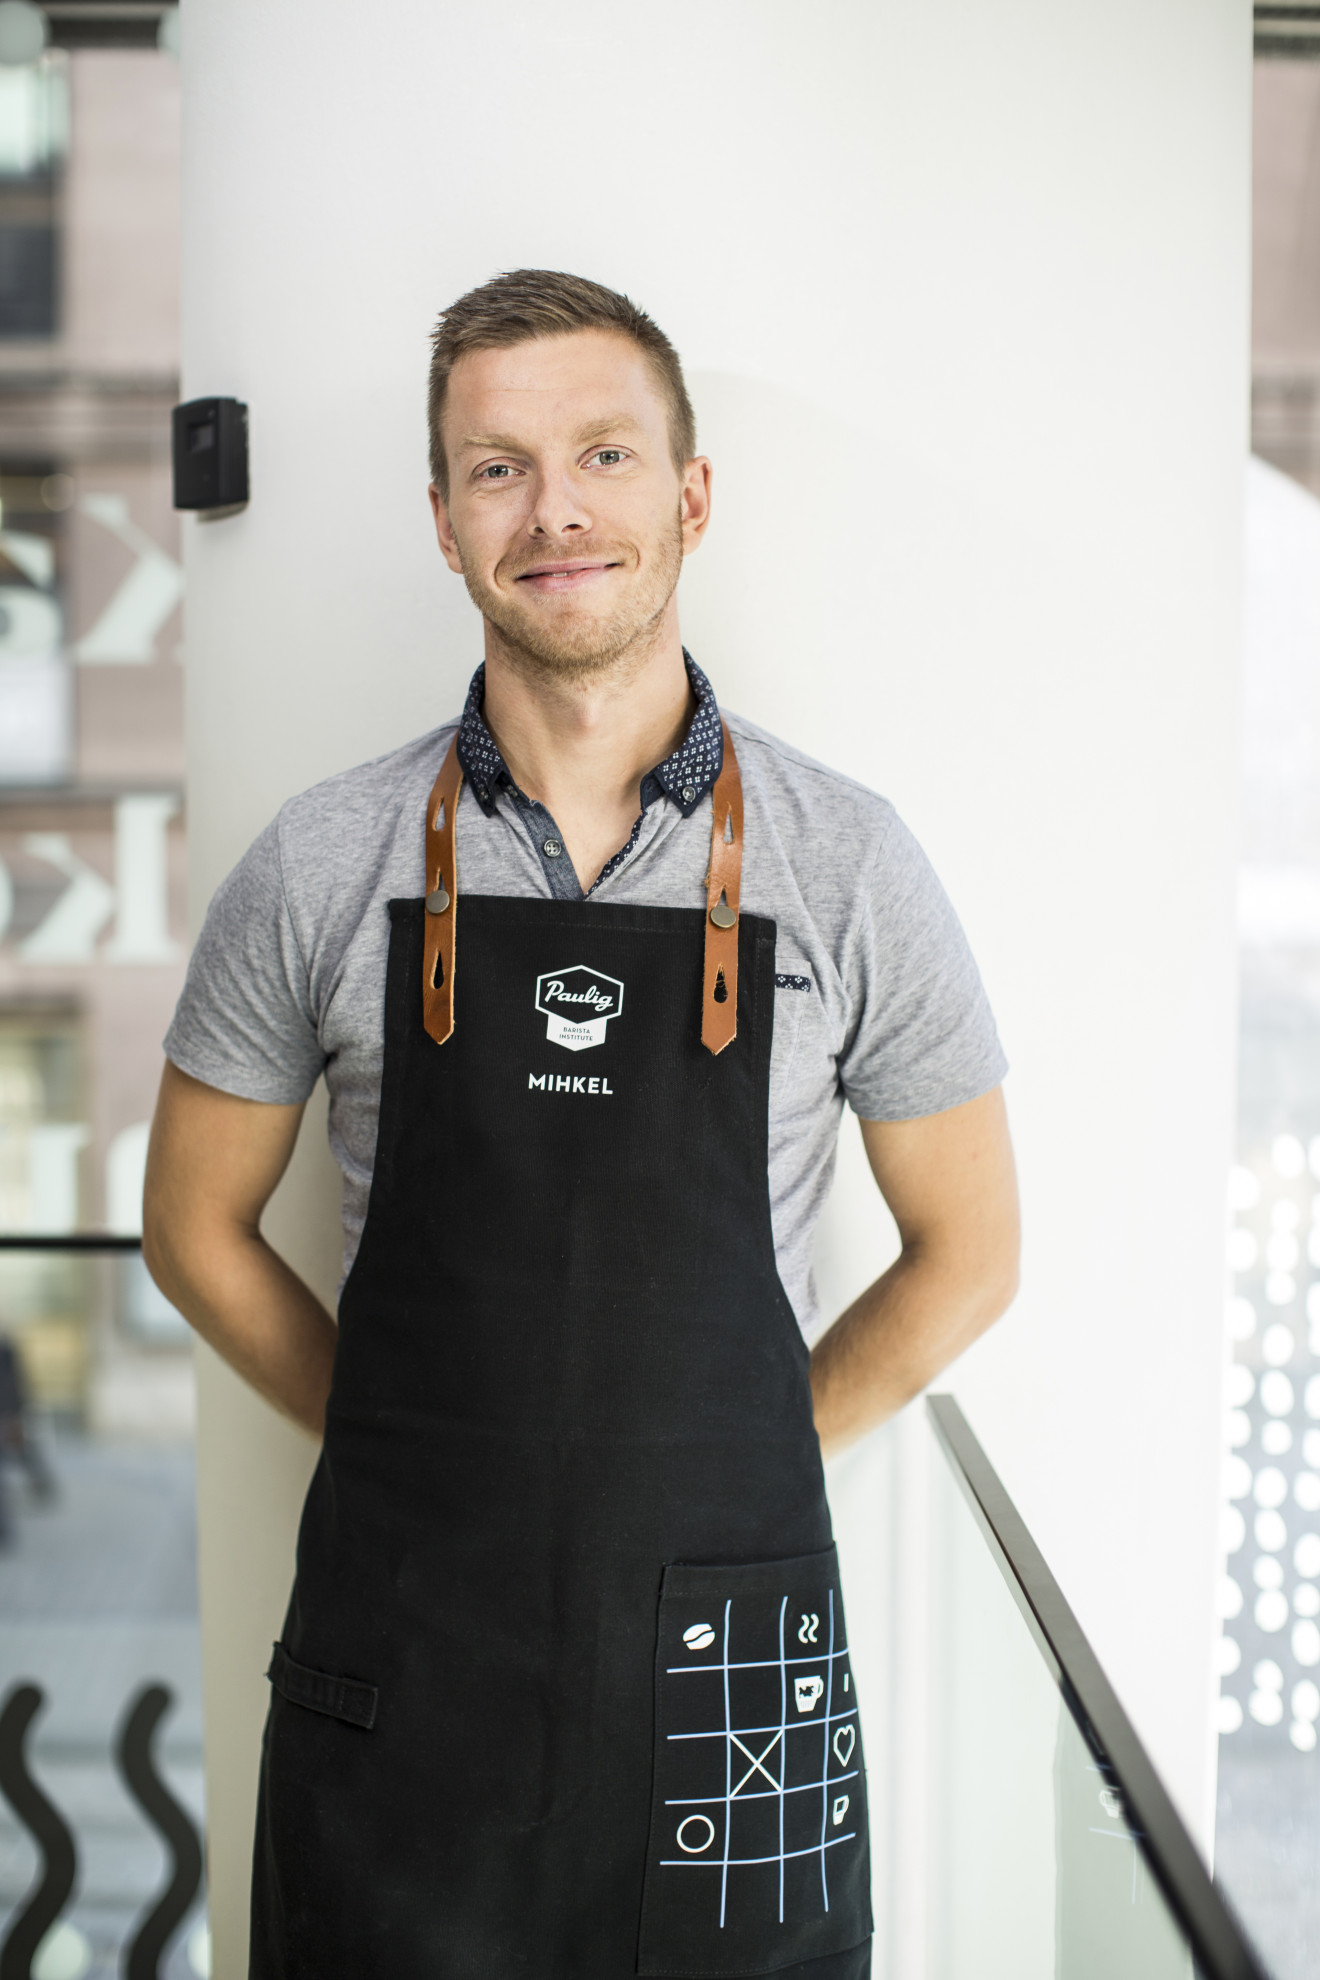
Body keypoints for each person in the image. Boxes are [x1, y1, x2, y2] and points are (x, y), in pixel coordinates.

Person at [143, 270, 1020, 1980]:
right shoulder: (323, 861)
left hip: (727, 1690)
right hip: (405, 1676)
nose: (556, 510)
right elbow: (189, 1227)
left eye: (605, 455)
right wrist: (408, 1437)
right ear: (444, 519)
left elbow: (971, 1253)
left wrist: (756, 1453)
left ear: (689, 498)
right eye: (498, 468)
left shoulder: (849, 864)